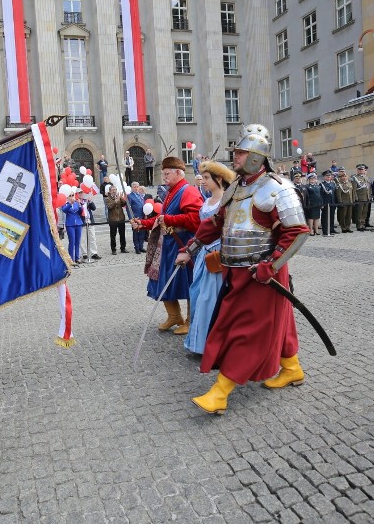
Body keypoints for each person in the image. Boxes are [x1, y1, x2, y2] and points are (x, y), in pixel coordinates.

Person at [175, 127, 310, 414]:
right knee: (276, 321)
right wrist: (191, 248)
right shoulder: (236, 188)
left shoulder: (278, 188)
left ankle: (220, 392)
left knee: (248, 331)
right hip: (235, 270)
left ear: (256, 157)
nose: (235, 157)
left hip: (263, 274)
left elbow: (297, 232)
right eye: (236, 152)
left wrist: (270, 266)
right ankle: (292, 368)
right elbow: (215, 224)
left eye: (240, 152)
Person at [130, 156, 202, 336]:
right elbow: (162, 218)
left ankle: (191, 321)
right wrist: (143, 224)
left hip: (184, 245)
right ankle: (174, 316)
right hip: (167, 245)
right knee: (162, 281)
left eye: (167, 173)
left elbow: (196, 219)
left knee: (188, 283)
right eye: (163, 174)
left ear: (179, 172)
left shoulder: (188, 191)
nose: (164, 177)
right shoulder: (170, 192)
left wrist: (169, 219)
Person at [184, 161, 235, 355]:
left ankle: (213, 345)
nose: (203, 181)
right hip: (202, 254)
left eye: (206, 178)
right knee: (197, 294)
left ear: (219, 179)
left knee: (210, 298)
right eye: (202, 178)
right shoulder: (206, 201)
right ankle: (199, 341)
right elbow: (201, 230)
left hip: (216, 255)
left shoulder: (226, 202)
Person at [62, 191, 85, 265]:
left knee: (77, 241)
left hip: (78, 223)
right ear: (67, 197)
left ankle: (77, 257)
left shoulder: (76, 203)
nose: (72, 196)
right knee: (72, 241)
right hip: (70, 224)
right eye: (70, 195)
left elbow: (81, 212)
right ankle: (71, 259)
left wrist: (80, 205)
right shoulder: (66, 203)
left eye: (73, 195)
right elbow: (64, 210)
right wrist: (70, 204)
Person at [106, 185, 128, 255]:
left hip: (121, 218)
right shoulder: (108, 199)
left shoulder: (118, 196)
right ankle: (113, 249)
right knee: (113, 235)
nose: (114, 191)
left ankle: (123, 248)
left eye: (115, 189)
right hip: (113, 219)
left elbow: (124, 204)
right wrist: (115, 201)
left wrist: (121, 198)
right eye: (113, 190)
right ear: (110, 191)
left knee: (122, 234)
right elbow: (109, 207)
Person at [127, 183, 146, 253]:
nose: (136, 188)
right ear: (132, 188)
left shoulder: (140, 195)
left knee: (142, 232)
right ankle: (137, 247)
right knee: (136, 233)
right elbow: (128, 208)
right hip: (135, 217)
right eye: (134, 187)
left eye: (137, 187)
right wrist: (131, 218)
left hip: (142, 217)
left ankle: (141, 246)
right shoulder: (130, 196)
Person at [352, 164, 371, 231]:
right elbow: (354, 189)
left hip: (366, 197)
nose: (361, 171)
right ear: (357, 170)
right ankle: (359, 226)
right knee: (359, 213)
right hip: (359, 198)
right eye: (359, 169)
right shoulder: (355, 178)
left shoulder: (366, 177)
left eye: (362, 169)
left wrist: (369, 196)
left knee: (364, 213)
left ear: (364, 170)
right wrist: (355, 198)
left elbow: (369, 188)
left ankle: (363, 225)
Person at [319, 170, 337, 236]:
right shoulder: (322, 184)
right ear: (324, 177)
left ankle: (331, 229)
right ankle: (325, 231)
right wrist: (321, 204)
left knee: (332, 216)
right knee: (325, 217)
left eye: (329, 175)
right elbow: (320, 195)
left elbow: (335, 193)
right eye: (327, 175)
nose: (329, 176)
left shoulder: (333, 183)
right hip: (325, 203)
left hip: (332, 202)